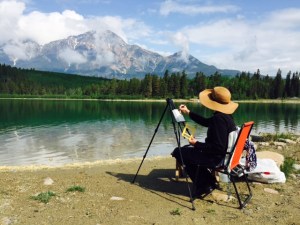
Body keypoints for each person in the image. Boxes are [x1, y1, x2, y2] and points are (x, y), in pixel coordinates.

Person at [172, 86, 238, 196]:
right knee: (185, 151)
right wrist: (188, 112)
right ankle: (210, 181)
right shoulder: (226, 116)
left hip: (216, 158)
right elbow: (206, 122)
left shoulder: (219, 119)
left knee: (179, 152)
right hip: (226, 156)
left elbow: (218, 147)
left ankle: (204, 185)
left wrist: (196, 144)